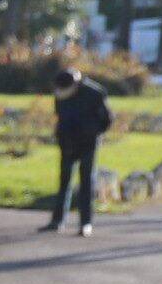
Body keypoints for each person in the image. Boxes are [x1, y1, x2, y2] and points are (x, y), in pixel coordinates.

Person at [44, 67, 113, 236]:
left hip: (87, 144)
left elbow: (107, 119)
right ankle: (57, 220)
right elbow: (60, 116)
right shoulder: (61, 91)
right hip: (67, 142)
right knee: (64, 181)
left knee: (86, 182)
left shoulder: (95, 94)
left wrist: (92, 133)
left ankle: (85, 223)